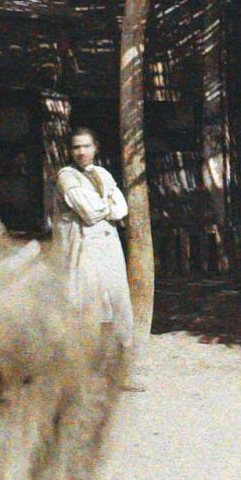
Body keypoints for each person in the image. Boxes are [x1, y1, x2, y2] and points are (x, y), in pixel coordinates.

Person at [51, 128, 143, 390]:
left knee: (118, 304)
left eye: (86, 146)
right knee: (86, 307)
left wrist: (108, 209)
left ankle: (122, 373)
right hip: (81, 250)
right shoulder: (66, 177)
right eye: (76, 147)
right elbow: (89, 212)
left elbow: (122, 207)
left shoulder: (102, 173)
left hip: (108, 247)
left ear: (95, 148)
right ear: (70, 151)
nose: (81, 152)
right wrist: (108, 208)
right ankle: (82, 377)